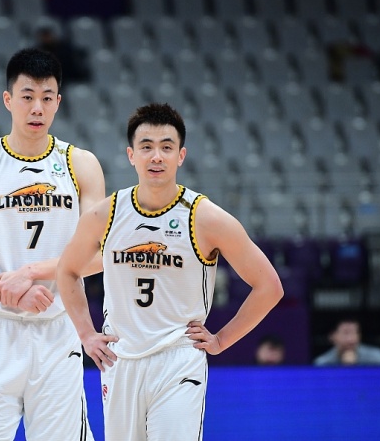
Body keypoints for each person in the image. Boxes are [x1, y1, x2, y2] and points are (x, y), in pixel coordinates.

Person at [56, 103, 284, 441]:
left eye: (166, 147)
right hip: (120, 359)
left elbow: (269, 286)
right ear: (131, 155)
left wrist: (221, 340)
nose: (156, 156)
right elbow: (67, 271)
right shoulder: (105, 215)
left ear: (181, 156)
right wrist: (86, 335)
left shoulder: (206, 217)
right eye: (146, 147)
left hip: (178, 360)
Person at [0, 47, 105, 440]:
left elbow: (100, 255)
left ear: (58, 102)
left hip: (58, 329)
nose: (37, 108)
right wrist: (9, 290)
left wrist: (32, 273)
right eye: (27, 96)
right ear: (8, 99)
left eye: (47, 98)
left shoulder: (81, 164)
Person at [314, 317, 380, 366]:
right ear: (332, 336)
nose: (351, 339)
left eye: (355, 333)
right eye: (346, 333)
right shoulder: (323, 363)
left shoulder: (377, 358)